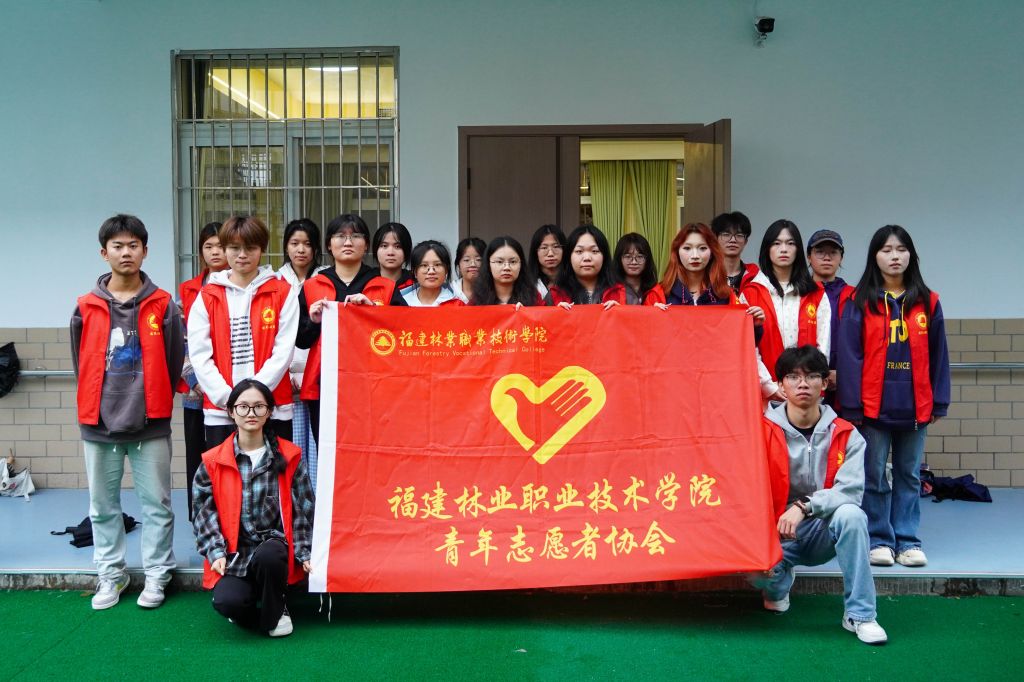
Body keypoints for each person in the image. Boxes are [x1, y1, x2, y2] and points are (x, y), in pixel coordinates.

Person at [70, 214, 184, 610]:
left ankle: (157, 574)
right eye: (117, 246)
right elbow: (81, 363)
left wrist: (158, 402)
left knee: (157, 506)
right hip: (99, 423)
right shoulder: (85, 306)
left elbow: (174, 360)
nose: (126, 252)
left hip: (150, 422)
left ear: (145, 251)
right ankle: (111, 575)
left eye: (133, 245)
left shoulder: (163, 304)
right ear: (104, 253)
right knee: (102, 508)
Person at [755, 346, 887, 645]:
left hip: (821, 529)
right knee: (760, 577)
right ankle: (779, 585)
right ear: (780, 386)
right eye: (793, 377)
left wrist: (804, 506)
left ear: (825, 383)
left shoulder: (846, 433)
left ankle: (860, 614)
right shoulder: (761, 432)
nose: (802, 384)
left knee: (852, 515)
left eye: (812, 376)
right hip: (775, 532)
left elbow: (850, 491)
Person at [837, 225, 950, 568]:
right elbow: (850, 355)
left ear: (911, 255)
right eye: (886, 250)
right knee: (874, 476)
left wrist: (939, 400)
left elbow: (939, 355)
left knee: (909, 475)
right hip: (873, 407)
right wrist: (852, 405)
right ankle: (880, 539)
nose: (894, 256)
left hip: (915, 405)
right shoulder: (858, 301)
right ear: (875, 256)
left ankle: (908, 540)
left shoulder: (928, 302)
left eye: (901, 249)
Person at [192, 379, 315, 638]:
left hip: (274, 552)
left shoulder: (290, 456)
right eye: (243, 407)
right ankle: (258, 603)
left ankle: (277, 608)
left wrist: (305, 552)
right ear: (231, 411)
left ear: (269, 412)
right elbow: (204, 513)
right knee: (228, 602)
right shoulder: (212, 461)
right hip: (235, 555)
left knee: (270, 554)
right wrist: (216, 551)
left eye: (259, 406)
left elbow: (304, 510)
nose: (251, 413)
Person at [188, 215, 299, 450]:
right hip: (221, 410)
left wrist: (255, 399)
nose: (242, 255)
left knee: (275, 472)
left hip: (273, 408)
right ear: (225, 249)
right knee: (225, 472)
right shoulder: (207, 296)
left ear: (262, 249)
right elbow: (200, 355)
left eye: (250, 248)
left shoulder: (283, 292)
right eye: (234, 248)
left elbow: (284, 352)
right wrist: (228, 399)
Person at [297, 214, 405, 446]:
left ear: (366, 245)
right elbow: (300, 340)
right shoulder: (312, 287)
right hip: (324, 385)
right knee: (329, 452)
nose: (348, 242)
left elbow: (403, 336)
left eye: (355, 236)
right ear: (329, 244)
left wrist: (374, 313)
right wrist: (314, 322)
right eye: (340, 236)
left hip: (374, 387)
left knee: (371, 452)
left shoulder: (384, 287)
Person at [743, 220, 830, 402]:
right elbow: (748, 348)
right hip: (765, 394)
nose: (784, 249)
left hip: (807, 393)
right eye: (777, 243)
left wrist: (808, 383)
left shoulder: (816, 293)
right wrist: (769, 386)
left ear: (798, 250)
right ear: (767, 249)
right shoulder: (750, 293)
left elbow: (823, 345)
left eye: (790, 243)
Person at [179, 222, 226, 520]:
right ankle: (199, 516)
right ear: (200, 253)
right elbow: (180, 340)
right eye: (209, 247)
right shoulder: (188, 290)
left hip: (231, 392)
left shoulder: (242, 286)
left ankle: (228, 515)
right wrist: (196, 380)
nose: (215, 252)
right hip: (196, 392)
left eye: (221, 246)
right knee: (197, 455)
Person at [277, 219, 323, 490]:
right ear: (286, 247)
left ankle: (317, 503)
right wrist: (284, 374)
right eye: (294, 243)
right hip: (285, 379)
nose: (301, 250)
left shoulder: (325, 280)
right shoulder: (276, 282)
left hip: (317, 376)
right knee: (292, 447)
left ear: (316, 248)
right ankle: (294, 502)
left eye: (307, 244)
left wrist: (308, 374)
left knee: (317, 447)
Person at [806, 229, 855, 407]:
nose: (827, 258)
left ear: (841, 257)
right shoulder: (797, 294)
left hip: (846, 384)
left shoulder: (855, 296)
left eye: (833, 252)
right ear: (809, 257)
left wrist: (843, 373)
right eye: (820, 252)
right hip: (806, 381)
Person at [548, 224, 624, 306]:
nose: (587, 258)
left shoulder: (620, 293)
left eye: (594, 251)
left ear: (604, 256)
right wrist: (556, 312)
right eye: (579, 251)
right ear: (569, 257)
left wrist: (620, 311)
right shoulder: (555, 295)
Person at [470, 236, 543, 306]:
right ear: (488, 264)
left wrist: (526, 312)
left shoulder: (533, 297)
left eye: (513, 262)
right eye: (499, 262)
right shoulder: (477, 299)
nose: (507, 267)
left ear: (521, 264)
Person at [401, 240, 462, 306]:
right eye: (424, 265)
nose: (431, 272)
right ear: (414, 271)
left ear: (446, 269)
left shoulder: (457, 303)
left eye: (437, 265)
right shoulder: (401, 301)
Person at [711, 211, 759, 293]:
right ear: (716, 239)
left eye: (739, 235)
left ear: (745, 241)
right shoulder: (706, 275)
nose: (733, 240)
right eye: (726, 234)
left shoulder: (756, 277)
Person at [611, 233, 665, 305]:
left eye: (640, 257)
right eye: (628, 257)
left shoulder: (656, 291)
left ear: (647, 260)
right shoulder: (611, 290)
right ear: (619, 259)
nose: (634, 262)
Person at [527, 224, 567, 303]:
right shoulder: (527, 284)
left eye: (556, 247)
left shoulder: (573, 282)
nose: (550, 254)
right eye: (544, 248)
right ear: (535, 252)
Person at [371, 222, 414, 290]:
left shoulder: (416, 284)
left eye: (397, 246)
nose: (390, 252)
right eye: (384, 246)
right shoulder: (365, 282)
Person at [452, 237, 486, 303]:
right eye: (466, 260)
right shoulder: (450, 291)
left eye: (478, 260)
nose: (473, 264)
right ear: (458, 264)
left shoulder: (493, 291)